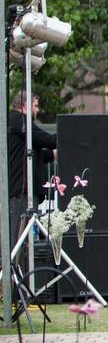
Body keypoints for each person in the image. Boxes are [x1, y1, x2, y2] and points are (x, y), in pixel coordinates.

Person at [7, 92, 56, 243]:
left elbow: (35, 153)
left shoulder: (20, 124)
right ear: (25, 105)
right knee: (19, 235)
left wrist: (52, 154)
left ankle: (21, 265)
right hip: (21, 189)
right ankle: (15, 265)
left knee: (26, 236)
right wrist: (62, 139)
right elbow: (41, 138)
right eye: (35, 106)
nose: (37, 110)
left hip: (27, 189)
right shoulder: (18, 120)